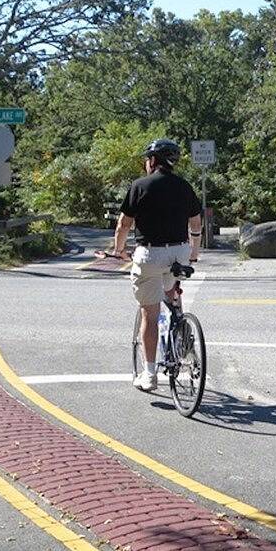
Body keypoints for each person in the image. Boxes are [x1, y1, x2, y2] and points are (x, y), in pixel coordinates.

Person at [111, 139, 202, 392]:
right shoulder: (184, 186)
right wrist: (193, 253)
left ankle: (149, 375)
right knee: (172, 291)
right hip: (179, 252)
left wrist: (119, 250)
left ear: (152, 160)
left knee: (149, 316)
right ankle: (182, 332)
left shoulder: (140, 186)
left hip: (150, 255)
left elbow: (123, 225)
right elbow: (196, 223)